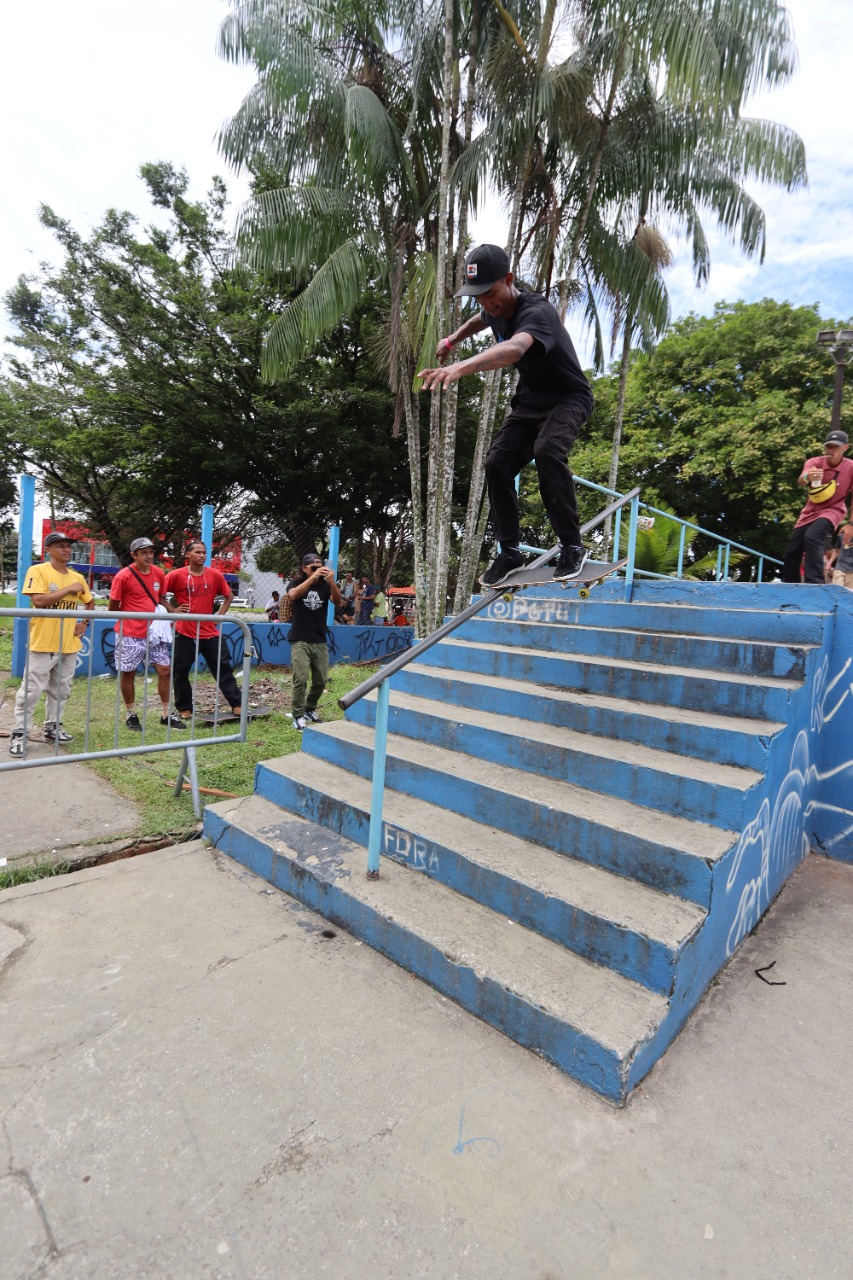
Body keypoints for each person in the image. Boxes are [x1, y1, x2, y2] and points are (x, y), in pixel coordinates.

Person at [419, 243, 594, 586]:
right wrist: (452, 340)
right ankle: (510, 551)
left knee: (548, 452)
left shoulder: (537, 312)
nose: (486, 302)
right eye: (478, 296)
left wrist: (459, 368)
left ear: (509, 279)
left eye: (490, 293)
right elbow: (479, 320)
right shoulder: (492, 309)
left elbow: (514, 348)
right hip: (530, 402)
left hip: (567, 398)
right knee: (496, 463)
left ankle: (572, 545)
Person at [9, 532, 95, 756]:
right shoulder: (38, 571)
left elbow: (90, 601)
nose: (66, 550)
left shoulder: (77, 577)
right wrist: (67, 590)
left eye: (68, 546)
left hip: (68, 643)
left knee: (61, 689)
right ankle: (20, 732)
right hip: (43, 642)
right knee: (31, 691)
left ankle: (52, 727)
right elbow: (38, 601)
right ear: (48, 550)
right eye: (60, 546)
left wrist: (85, 622)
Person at [109, 537, 184, 731]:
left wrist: (171, 610)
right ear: (134, 555)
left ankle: (166, 714)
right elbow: (113, 606)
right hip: (130, 633)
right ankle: (131, 714)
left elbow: (158, 597)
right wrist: (132, 618)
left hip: (155, 632)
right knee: (128, 673)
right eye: (144, 552)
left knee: (165, 671)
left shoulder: (159, 573)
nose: (149, 556)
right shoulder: (123, 576)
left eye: (151, 552)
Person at [165, 541, 243, 721]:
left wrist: (219, 616)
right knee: (181, 670)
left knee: (223, 667)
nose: (201, 555)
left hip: (210, 632)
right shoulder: (176, 575)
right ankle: (184, 708)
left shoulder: (214, 575)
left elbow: (228, 596)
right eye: (197, 552)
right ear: (188, 555)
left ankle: (237, 704)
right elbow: (159, 594)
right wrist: (172, 610)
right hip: (184, 631)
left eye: (204, 552)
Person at [781, 430, 853, 584]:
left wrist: (851, 524)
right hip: (809, 512)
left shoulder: (851, 467)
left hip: (833, 511)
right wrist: (808, 477)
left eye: (835, 447)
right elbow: (801, 479)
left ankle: (814, 583)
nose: (831, 450)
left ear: (845, 448)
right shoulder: (815, 462)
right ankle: (789, 586)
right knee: (792, 551)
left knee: (812, 536)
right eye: (829, 447)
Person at [285, 553, 343, 731]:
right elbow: (293, 595)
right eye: (313, 567)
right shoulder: (296, 583)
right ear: (304, 568)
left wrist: (332, 582)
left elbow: (338, 602)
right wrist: (313, 578)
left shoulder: (326, 586)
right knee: (300, 679)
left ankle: (309, 709)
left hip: (319, 640)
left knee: (321, 680)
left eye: (320, 566)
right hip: (300, 639)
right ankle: (297, 715)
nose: (317, 569)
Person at [830, 521, 853, 589]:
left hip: (852, 570)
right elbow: (836, 551)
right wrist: (829, 563)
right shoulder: (842, 535)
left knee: (850, 595)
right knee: (836, 591)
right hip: (840, 568)